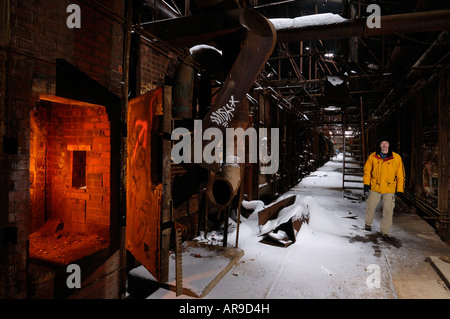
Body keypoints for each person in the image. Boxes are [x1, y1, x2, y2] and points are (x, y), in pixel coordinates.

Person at [363, 136, 405, 240]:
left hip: (389, 188)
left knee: (388, 210)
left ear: (389, 145)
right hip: (375, 186)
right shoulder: (373, 156)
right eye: (382, 143)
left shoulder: (396, 158)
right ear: (380, 145)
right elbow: (367, 171)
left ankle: (385, 231)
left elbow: (400, 175)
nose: (384, 145)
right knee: (370, 206)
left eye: (386, 143)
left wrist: (400, 189)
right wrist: (366, 183)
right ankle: (368, 224)